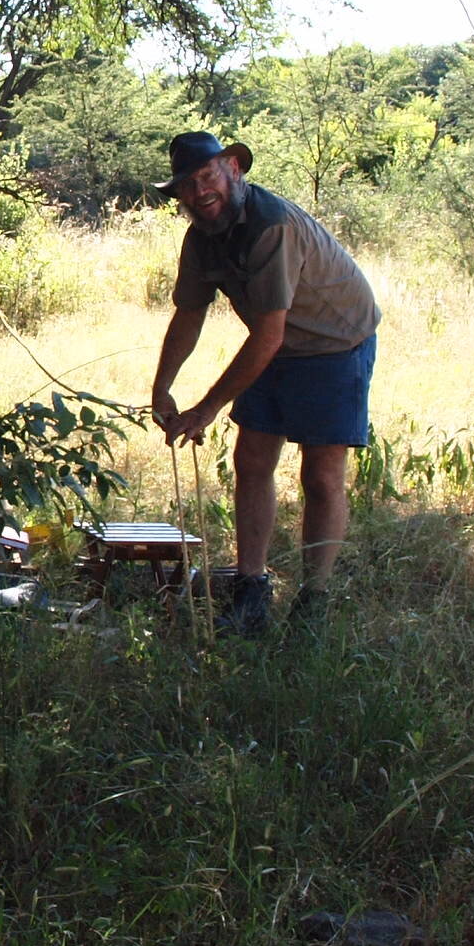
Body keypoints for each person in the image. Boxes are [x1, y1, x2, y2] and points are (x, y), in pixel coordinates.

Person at [149, 131, 379, 634]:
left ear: (233, 168)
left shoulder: (271, 226)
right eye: (186, 187)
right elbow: (189, 313)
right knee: (251, 460)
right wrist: (161, 387)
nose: (198, 193)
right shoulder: (201, 237)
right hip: (275, 343)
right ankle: (251, 590)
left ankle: (312, 603)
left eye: (206, 178)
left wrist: (207, 407)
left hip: (334, 342)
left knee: (321, 475)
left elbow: (269, 337)